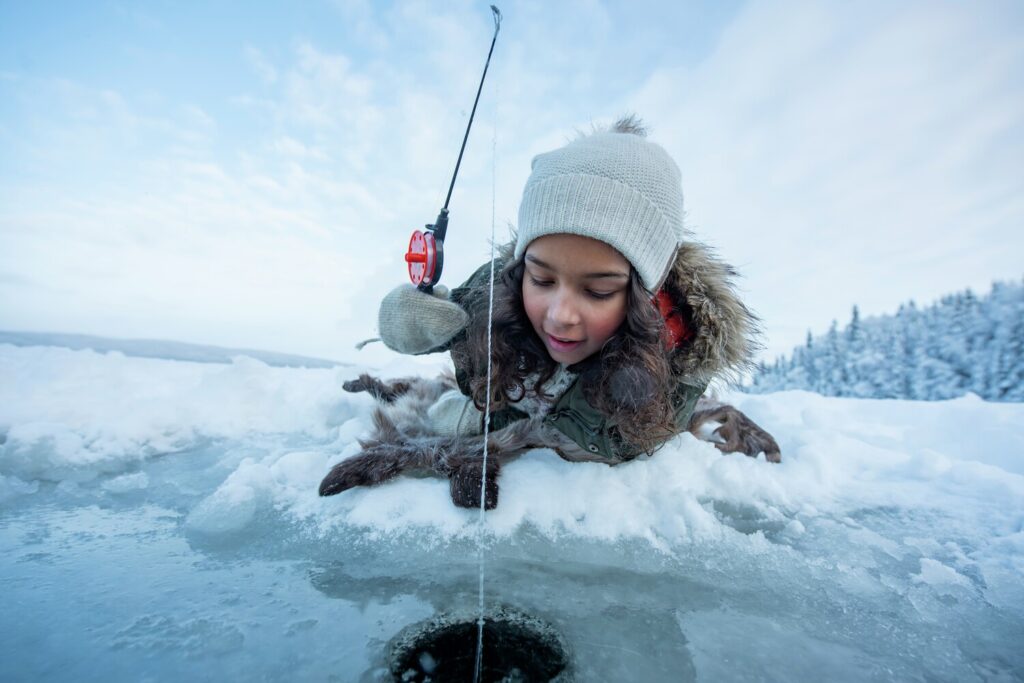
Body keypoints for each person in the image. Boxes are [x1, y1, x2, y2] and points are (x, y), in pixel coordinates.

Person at [320, 116, 780, 509]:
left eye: (598, 291)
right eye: (541, 280)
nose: (560, 315)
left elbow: (614, 442)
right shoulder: (501, 283)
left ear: (646, 299)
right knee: (448, 414)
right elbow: (452, 315)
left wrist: (511, 424)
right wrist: (423, 324)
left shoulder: (679, 351)